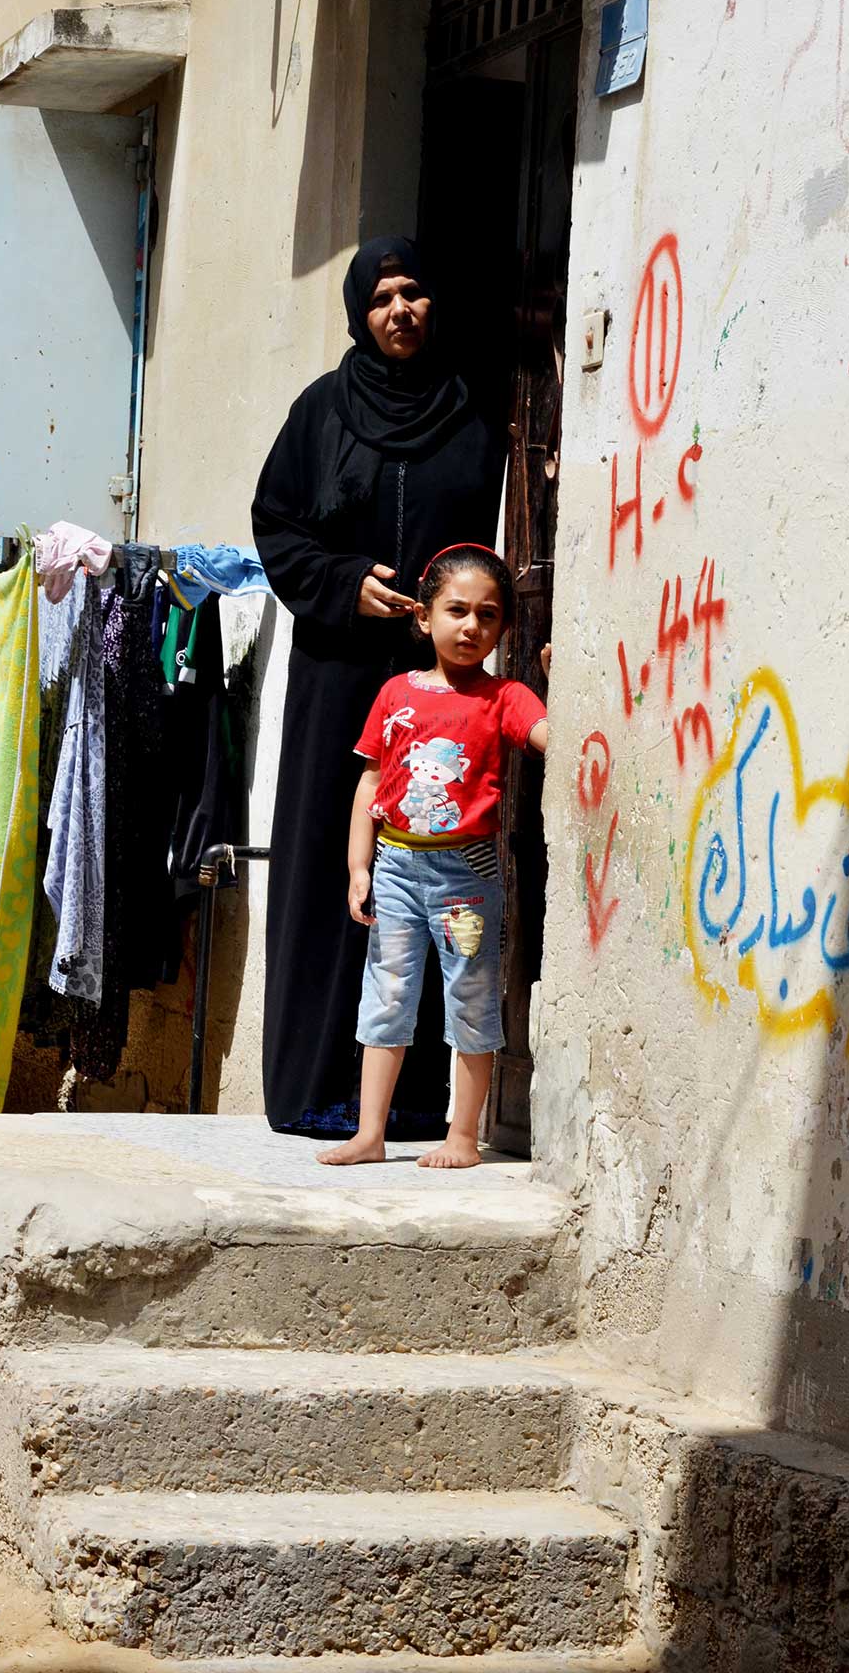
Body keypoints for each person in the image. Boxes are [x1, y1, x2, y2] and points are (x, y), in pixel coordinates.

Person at [252, 237, 509, 1138]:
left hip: (440, 685)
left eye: (413, 293)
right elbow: (276, 528)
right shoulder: (319, 412)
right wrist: (344, 579)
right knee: (337, 858)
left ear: (433, 307)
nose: (398, 310)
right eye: (381, 298)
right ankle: (314, 1085)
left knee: (436, 866)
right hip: (340, 676)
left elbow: (490, 542)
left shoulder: (473, 418)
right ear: (360, 315)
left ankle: (414, 1097)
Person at [319, 544, 548, 1169]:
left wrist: (565, 681)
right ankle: (371, 1135)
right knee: (387, 994)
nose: (471, 626)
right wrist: (358, 868)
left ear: (501, 627)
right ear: (425, 618)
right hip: (394, 865)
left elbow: (551, 737)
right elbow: (370, 786)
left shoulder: (506, 697)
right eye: (456, 610)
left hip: (466, 876)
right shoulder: (396, 694)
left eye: (487, 615)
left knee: (471, 997)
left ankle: (462, 1138)